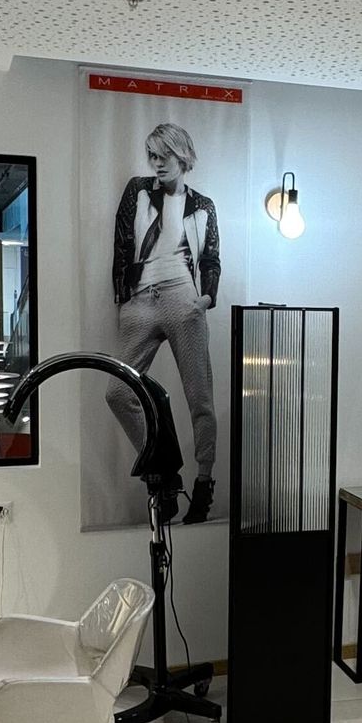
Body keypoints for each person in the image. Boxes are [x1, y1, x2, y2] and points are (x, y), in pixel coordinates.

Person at [107, 120, 220, 523]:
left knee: (199, 397)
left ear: (182, 156)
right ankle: (163, 472)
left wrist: (205, 298)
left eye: (164, 156)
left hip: (183, 300)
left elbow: (210, 258)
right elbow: (122, 242)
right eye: (152, 156)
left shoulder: (202, 205)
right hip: (141, 299)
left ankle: (204, 482)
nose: (156, 164)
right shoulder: (138, 190)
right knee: (118, 394)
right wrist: (123, 300)